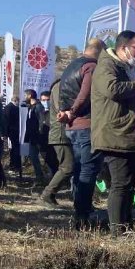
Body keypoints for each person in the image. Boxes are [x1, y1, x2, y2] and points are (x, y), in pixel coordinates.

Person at [90, 30, 135, 234]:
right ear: (123, 48)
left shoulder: (130, 68)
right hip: (115, 134)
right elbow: (112, 89)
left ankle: (126, 224)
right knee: (120, 184)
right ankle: (117, 231)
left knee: (131, 183)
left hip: (131, 134)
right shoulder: (106, 65)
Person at [57, 38, 104, 226]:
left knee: (78, 169)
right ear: (100, 51)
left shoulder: (71, 66)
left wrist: (65, 112)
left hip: (72, 127)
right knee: (88, 170)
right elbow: (85, 94)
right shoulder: (91, 67)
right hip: (85, 123)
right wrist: (73, 111)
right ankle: (83, 213)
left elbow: (63, 92)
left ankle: (79, 208)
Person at [38, 79, 74, 207]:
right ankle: (47, 194)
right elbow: (62, 110)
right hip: (61, 133)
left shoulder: (62, 85)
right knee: (67, 166)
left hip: (65, 132)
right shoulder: (61, 86)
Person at [23, 89, 47, 183]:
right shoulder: (31, 107)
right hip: (32, 138)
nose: (25, 97)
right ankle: (39, 177)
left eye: (26, 95)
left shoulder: (38, 107)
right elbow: (29, 124)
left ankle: (52, 176)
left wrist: (40, 136)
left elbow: (42, 122)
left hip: (38, 138)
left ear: (30, 96)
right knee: (33, 158)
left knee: (47, 158)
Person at [4, 95, 21, 173]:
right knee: (15, 148)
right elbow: (7, 121)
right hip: (13, 131)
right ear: (16, 100)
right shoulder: (9, 107)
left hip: (15, 131)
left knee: (15, 148)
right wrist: (5, 133)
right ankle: (15, 165)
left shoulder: (14, 107)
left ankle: (15, 165)